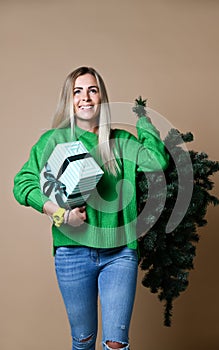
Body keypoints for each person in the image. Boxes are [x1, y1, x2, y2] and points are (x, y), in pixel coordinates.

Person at [13, 66, 169, 350]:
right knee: (83, 341)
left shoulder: (121, 141)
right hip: (72, 253)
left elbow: (157, 162)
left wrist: (144, 121)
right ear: (69, 99)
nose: (85, 97)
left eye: (93, 90)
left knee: (116, 344)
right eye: (77, 91)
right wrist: (59, 213)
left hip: (120, 253)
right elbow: (22, 184)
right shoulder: (53, 141)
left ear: (102, 98)